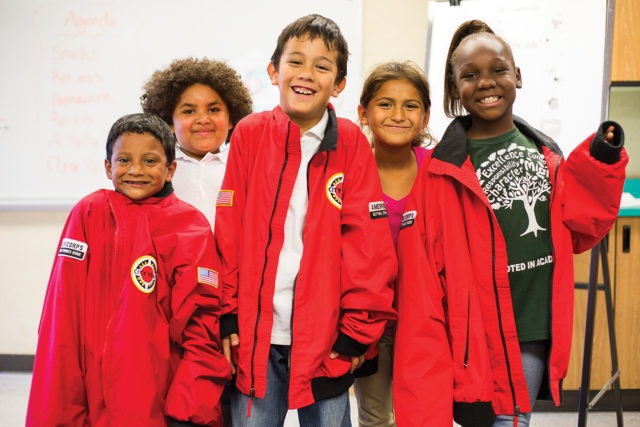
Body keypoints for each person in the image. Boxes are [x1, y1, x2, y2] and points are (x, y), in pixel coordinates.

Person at [393, 19, 628, 427]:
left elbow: (581, 226)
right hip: (473, 340)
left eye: (498, 70)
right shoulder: (441, 173)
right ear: (456, 90)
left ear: (517, 75)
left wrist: (602, 159)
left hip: (531, 330)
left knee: (511, 420)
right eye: (470, 76)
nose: (486, 82)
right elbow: (423, 283)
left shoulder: (546, 155)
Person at [214, 14, 397, 427]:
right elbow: (228, 234)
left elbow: (367, 245)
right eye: (296, 61)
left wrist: (356, 329)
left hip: (327, 338)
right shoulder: (248, 133)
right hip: (255, 334)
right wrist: (227, 312)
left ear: (340, 84)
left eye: (322, 66)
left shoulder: (350, 142)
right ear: (273, 71)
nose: (307, 74)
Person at [26, 113, 231, 427]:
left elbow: (201, 327)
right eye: (124, 160)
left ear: (170, 168)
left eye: (150, 161)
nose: (136, 170)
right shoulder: (88, 214)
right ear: (108, 167)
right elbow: (61, 318)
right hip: (89, 398)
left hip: (157, 401)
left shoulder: (190, 227)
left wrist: (188, 408)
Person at [352, 60, 433, 427]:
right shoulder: (350, 174)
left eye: (410, 105)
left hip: (427, 321)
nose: (397, 114)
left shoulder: (438, 171)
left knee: (421, 415)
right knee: (376, 417)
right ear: (363, 113)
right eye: (385, 104)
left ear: (425, 116)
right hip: (370, 323)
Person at [141, 57, 253, 230]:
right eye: (189, 111)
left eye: (214, 110)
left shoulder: (245, 166)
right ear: (169, 122)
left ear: (231, 119)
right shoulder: (159, 169)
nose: (203, 119)